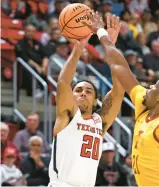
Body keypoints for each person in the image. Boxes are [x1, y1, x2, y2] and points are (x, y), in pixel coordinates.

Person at [84, 11, 159, 186]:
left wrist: (101, 32)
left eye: (154, 87)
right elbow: (120, 67)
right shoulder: (144, 103)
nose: (149, 87)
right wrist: (105, 36)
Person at [48, 17, 124, 187]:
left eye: (88, 91)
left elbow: (119, 91)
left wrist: (110, 45)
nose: (83, 93)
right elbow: (63, 83)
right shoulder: (67, 116)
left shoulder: (100, 122)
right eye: (78, 90)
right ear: (71, 96)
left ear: (96, 100)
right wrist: (78, 49)